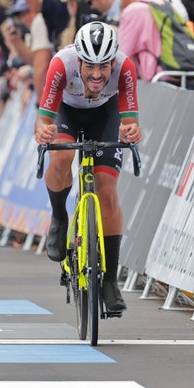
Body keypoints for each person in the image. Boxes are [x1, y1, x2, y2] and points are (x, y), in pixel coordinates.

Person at [34, 21, 142, 314]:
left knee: (107, 191)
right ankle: (59, 216)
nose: (97, 74)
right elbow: (44, 119)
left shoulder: (125, 67)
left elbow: (130, 122)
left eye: (104, 67)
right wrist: (42, 133)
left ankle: (109, 282)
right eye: (90, 66)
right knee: (60, 158)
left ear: (113, 61)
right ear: (78, 59)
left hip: (104, 115)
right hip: (68, 112)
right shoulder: (60, 64)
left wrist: (131, 132)